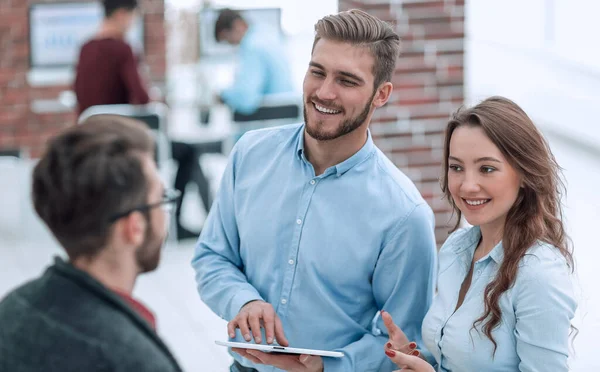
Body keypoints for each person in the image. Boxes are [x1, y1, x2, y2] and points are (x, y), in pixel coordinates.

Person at [192, 9, 437, 372]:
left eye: (347, 81)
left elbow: (404, 339)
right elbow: (212, 256)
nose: (324, 92)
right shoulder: (249, 154)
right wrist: (243, 302)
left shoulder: (404, 215)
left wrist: (328, 368)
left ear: (381, 94)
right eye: (317, 71)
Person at [382, 96, 578, 371]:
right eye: (456, 167)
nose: (467, 185)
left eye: (486, 169)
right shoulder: (456, 248)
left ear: (523, 174)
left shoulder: (538, 272)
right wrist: (419, 360)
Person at [0, 115, 183, 371]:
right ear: (134, 227)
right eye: (161, 197)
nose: (165, 212)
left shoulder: (13, 308)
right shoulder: (133, 359)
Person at [74, 0, 211, 240]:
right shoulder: (122, 48)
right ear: (121, 15)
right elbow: (142, 97)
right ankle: (176, 225)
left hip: (92, 138)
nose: (132, 24)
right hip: (122, 140)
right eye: (133, 17)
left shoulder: (85, 48)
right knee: (188, 151)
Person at [214, 8, 295, 115]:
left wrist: (223, 96)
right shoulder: (265, 34)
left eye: (227, 37)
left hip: (273, 116)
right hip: (288, 109)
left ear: (237, 25)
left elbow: (246, 99)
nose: (231, 43)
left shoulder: (252, 46)